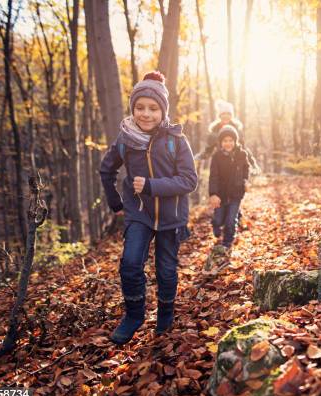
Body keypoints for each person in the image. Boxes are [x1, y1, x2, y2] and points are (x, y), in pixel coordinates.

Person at [99, 71, 198, 345]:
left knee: (166, 269)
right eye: (140, 107)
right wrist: (115, 202)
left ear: (163, 111)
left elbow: (190, 181)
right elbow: (106, 171)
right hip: (139, 214)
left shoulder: (175, 140)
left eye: (153, 108)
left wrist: (153, 185)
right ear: (133, 109)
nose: (146, 114)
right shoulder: (125, 140)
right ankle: (134, 315)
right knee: (130, 264)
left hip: (171, 217)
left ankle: (165, 312)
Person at [208, 125, 250, 252]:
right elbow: (213, 176)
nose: (228, 143)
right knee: (219, 219)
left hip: (236, 193)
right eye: (225, 141)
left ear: (235, 141)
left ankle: (227, 243)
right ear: (221, 142)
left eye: (231, 140)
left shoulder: (242, 154)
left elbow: (246, 168)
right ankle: (215, 225)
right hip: (220, 193)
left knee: (231, 220)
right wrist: (213, 194)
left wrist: (245, 180)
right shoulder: (217, 156)